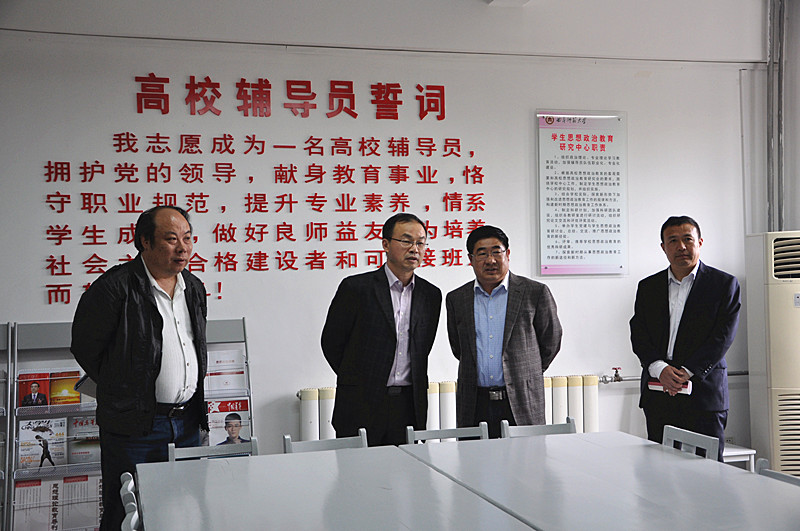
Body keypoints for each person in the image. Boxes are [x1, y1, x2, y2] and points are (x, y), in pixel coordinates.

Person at [70, 205, 208, 530]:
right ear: (145, 241)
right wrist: (125, 390)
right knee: (127, 514)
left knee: (186, 510)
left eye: (187, 238)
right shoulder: (115, 287)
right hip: (135, 427)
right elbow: (85, 347)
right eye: (171, 239)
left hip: (187, 423)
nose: (183, 248)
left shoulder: (193, 287)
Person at [321, 213, 442, 446]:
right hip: (361, 403)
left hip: (409, 406)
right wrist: (358, 380)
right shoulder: (357, 288)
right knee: (358, 468)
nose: (414, 249)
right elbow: (332, 343)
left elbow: (423, 348)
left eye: (420, 242)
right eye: (406, 241)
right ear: (385, 244)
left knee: (408, 468)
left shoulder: (431, 295)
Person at [630, 215, 740, 461]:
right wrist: (659, 368)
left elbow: (723, 336)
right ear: (663, 247)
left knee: (707, 472)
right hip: (659, 393)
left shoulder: (723, 284)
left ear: (699, 242)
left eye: (687, 239)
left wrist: (688, 371)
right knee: (659, 470)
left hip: (703, 395)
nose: (681, 246)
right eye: (673, 241)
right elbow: (639, 332)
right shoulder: (648, 287)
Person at [446, 225, 563, 438]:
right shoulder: (457, 299)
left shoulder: (534, 293)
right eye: (482, 253)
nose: (490, 260)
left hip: (522, 399)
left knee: (527, 456)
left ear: (507, 254)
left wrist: (525, 372)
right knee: (474, 457)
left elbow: (551, 340)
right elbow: (459, 348)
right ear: (470, 259)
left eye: (496, 252)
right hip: (475, 403)